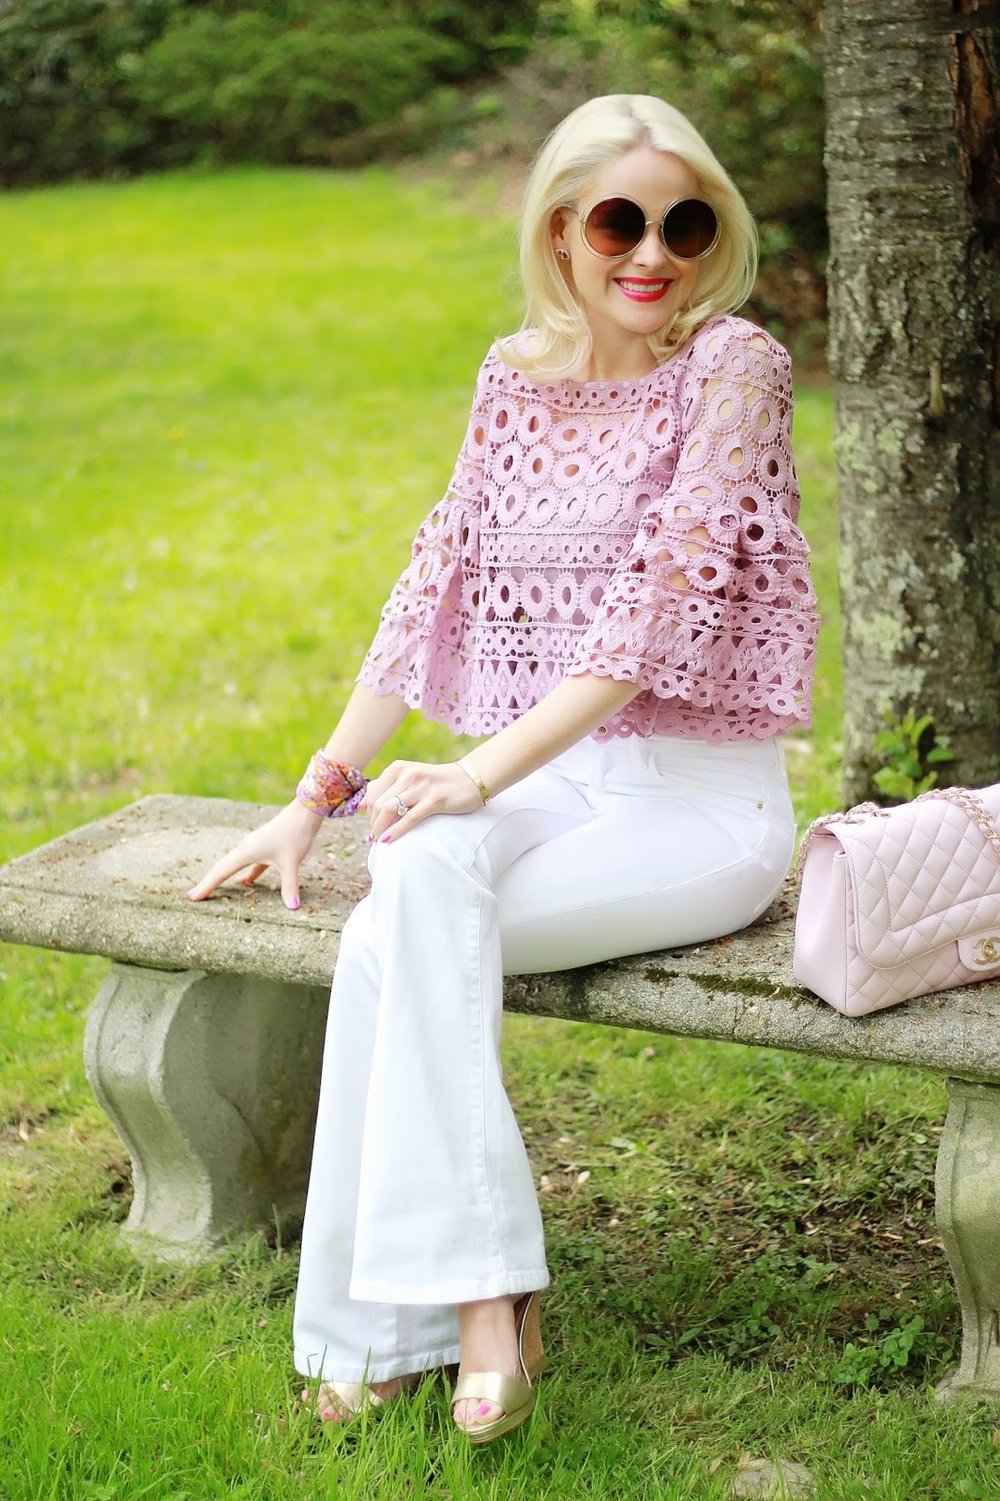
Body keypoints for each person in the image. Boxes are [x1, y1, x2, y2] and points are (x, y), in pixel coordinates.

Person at [187, 92, 819, 1443]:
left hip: (699, 811)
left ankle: (401, 1325)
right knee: (407, 891)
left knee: (396, 925)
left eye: (686, 221)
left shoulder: (737, 367)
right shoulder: (512, 376)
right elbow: (435, 583)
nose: (654, 252)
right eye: (619, 221)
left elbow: (656, 613)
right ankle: (480, 1304)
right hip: (551, 784)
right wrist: (318, 799)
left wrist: (475, 775)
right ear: (559, 230)